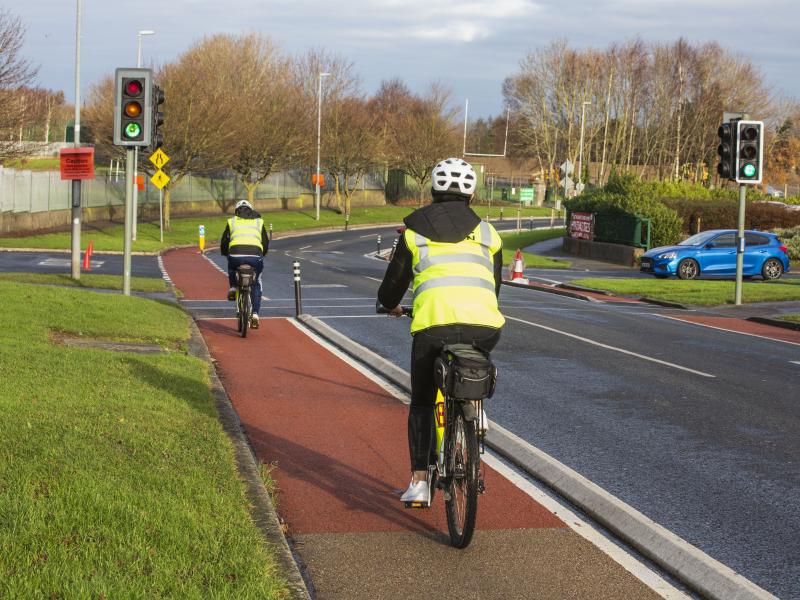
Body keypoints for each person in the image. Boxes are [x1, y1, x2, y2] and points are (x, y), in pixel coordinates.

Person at [378, 157, 505, 504]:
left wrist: (391, 305)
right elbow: (492, 287)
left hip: (433, 326)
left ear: (433, 189)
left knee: (421, 402)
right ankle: (475, 408)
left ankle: (420, 481)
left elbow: (390, 291)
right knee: (476, 350)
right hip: (484, 326)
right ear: (472, 194)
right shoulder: (488, 234)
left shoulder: (414, 233)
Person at [220, 199, 270, 329]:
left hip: (236, 254)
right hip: (255, 256)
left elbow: (225, 241)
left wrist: (225, 253)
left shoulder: (232, 221)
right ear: (251, 210)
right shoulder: (259, 221)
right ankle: (255, 314)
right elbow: (265, 242)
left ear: (236, 211)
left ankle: (232, 287)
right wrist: (262, 254)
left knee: (231, 266)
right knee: (256, 282)